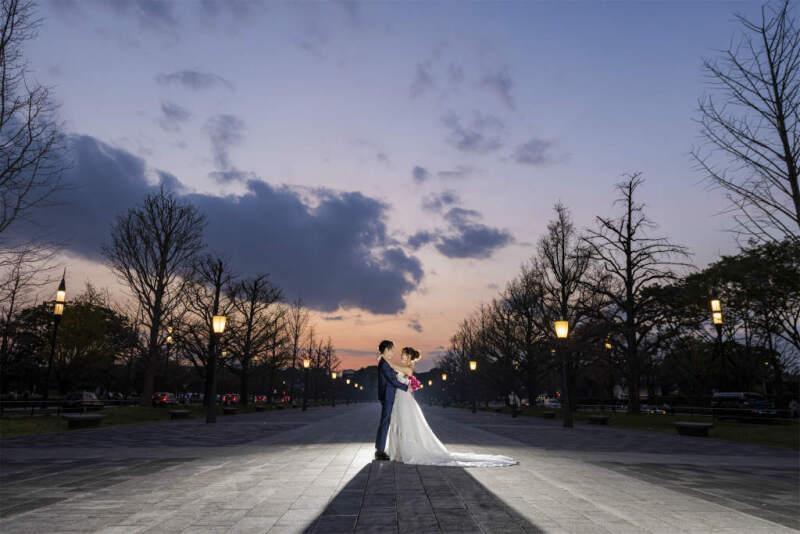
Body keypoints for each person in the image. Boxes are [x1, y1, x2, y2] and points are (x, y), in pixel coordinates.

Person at [384, 347, 517, 467]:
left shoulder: (408, 369)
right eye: (401, 355)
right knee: (399, 423)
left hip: (404, 401)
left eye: (403, 355)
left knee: (405, 424)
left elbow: (392, 367)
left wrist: (384, 358)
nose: (401, 357)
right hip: (400, 399)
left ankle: (406, 451)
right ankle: (399, 452)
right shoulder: (406, 368)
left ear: (408, 356)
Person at [374, 340, 409, 461]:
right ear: (387, 349)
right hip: (387, 395)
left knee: (386, 421)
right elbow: (391, 380)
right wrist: (405, 387)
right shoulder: (384, 364)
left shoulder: (384, 362)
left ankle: (380, 449)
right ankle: (379, 451)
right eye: (392, 350)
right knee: (385, 421)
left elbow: (392, 376)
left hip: (388, 395)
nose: (393, 353)